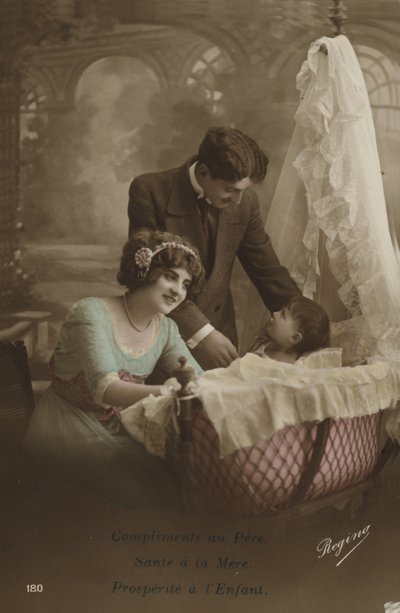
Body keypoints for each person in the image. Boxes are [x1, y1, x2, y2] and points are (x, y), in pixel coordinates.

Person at [24, 229, 204, 511]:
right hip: (64, 427)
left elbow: (199, 378)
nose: (178, 291)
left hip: (120, 427)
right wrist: (168, 390)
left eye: (185, 283)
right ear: (145, 270)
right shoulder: (92, 313)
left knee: (179, 483)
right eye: (170, 276)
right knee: (138, 495)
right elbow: (107, 389)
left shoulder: (166, 329)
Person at [128, 126, 301, 370]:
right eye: (230, 190)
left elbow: (267, 271)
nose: (238, 200)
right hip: (163, 335)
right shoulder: (149, 190)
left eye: (243, 190)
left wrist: (307, 323)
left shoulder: (245, 202)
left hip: (222, 335)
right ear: (204, 171)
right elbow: (148, 275)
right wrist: (202, 333)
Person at [250, 296, 330, 363]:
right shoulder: (263, 343)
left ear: (294, 338)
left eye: (282, 315)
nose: (275, 313)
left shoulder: (290, 366)